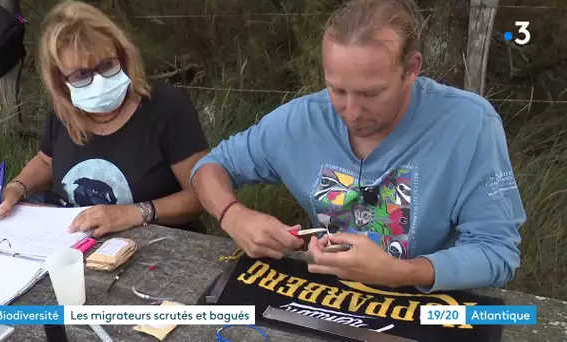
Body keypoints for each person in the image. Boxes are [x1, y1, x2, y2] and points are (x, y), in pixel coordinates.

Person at [189, 0, 526, 293]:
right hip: (325, 302)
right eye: (337, 90)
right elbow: (210, 168)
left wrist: (400, 272)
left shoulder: (469, 125)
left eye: (370, 94)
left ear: (411, 69)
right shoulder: (301, 121)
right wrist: (233, 215)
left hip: (428, 308)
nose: (351, 112)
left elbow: (496, 252)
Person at [0, 1, 209, 237]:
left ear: (123, 56)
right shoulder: (64, 112)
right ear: (61, 82)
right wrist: (15, 188)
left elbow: (203, 195)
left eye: (107, 65)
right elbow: (46, 161)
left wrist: (135, 213)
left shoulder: (166, 107)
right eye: (81, 75)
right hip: (76, 244)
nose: (99, 80)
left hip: (161, 248)